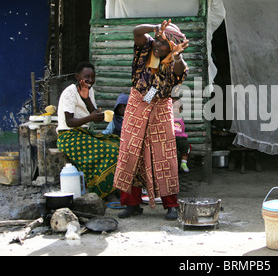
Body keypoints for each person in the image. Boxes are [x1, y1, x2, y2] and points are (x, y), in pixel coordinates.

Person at [113, 19, 189, 220]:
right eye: (157, 40)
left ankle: (171, 204)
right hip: (137, 104)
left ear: (172, 47)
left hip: (161, 108)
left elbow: (180, 71)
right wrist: (155, 28)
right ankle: (131, 204)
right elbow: (137, 31)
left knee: (164, 156)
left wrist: (178, 57)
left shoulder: (175, 61)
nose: (158, 45)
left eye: (164, 43)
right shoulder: (146, 49)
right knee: (130, 153)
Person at [56, 62, 119, 199]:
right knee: (111, 152)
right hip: (68, 137)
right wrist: (91, 117)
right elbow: (69, 122)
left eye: (92, 77)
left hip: (82, 134)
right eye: (87, 77)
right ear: (77, 76)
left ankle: (113, 188)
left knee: (118, 144)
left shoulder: (89, 91)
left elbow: (93, 114)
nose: (90, 80)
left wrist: (87, 99)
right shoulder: (70, 92)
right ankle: (100, 190)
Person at [172, 97, 190, 173]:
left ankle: (183, 163)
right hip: (172, 138)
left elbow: (182, 131)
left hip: (181, 139)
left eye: (178, 108)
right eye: (173, 107)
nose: (175, 109)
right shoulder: (169, 118)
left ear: (180, 109)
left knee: (187, 147)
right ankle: (173, 167)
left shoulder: (180, 119)